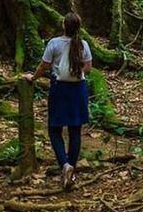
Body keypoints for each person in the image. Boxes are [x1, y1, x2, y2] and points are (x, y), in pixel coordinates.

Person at [23, 12, 92, 191]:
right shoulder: (83, 44)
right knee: (75, 129)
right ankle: (72, 167)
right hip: (78, 89)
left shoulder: (54, 43)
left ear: (64, 25)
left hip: (60, 89)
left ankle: (65, 165)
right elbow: (88, 67)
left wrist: (33, 77)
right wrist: (76, 69)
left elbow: (44, 65)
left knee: (54, 129)